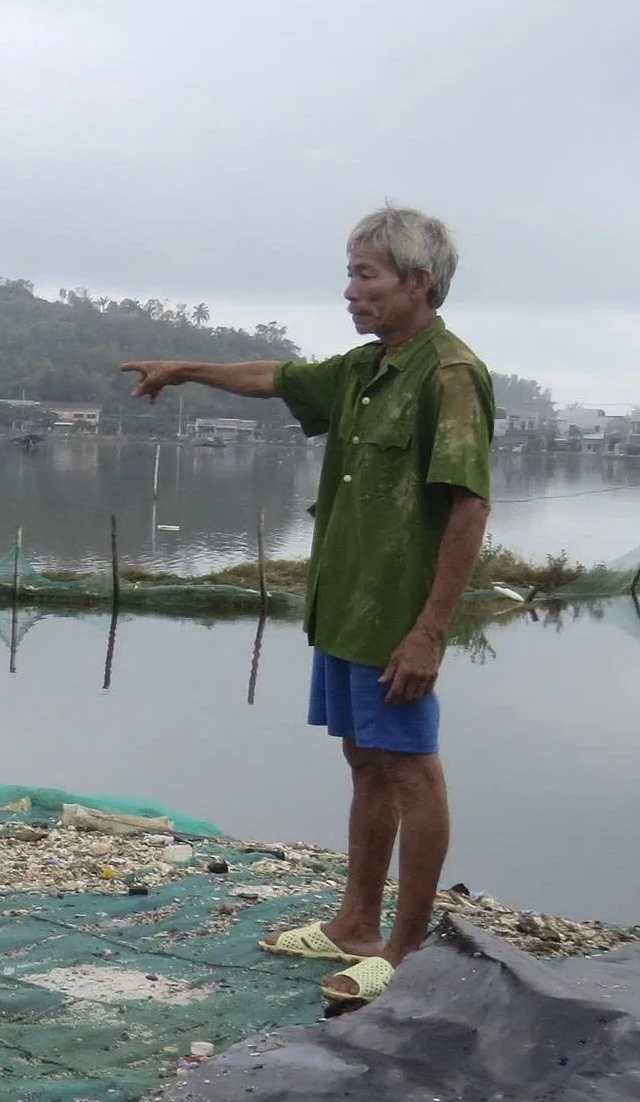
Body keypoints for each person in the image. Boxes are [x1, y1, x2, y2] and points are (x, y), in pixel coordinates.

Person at [120, 205, 494, 1005]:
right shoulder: (364, 371)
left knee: (410, 773)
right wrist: (184, 368)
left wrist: (429, 631)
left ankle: (405, 949)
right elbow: (272, 378)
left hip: (396, 616)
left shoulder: (448, 376)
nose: (350, 291)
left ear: (417, 282)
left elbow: (466, 510)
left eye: (366, 274)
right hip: (343, 607)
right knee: (364, 760)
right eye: (351, 273)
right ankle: (354, 922)